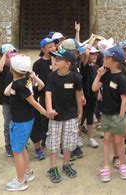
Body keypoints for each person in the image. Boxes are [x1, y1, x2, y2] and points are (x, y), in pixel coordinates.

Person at [3, 54, 54, 192]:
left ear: (13, 68)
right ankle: (27, 172)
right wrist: (17, 78)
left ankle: (21, 181)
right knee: (22, 148)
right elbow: (6, 92)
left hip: (21, 122)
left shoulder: (21, 85)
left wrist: (45, 113)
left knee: (17, 151)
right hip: (22, 120)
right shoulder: (21, 82)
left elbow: (33, 102)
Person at [92, 45, 126, 182]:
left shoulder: (122, 79)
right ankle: (106, 166)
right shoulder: (106, 74)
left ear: (114, 62)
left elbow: (124, 100)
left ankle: (123, 164)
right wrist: (98, 75)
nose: (104, 58)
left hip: (116, 115)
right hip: (106, 114)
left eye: (107, 57)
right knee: (107, 139)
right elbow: (94, 88)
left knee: (119, 141)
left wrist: (121, 117)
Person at [45, 48, 84, 183]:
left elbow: (79, 95)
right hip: (55, 115)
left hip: (71, 115)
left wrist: (80, 112)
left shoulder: (76, 77)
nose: (56, 60)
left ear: (68, 64)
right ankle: (53, 167)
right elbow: (48, 93)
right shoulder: (51, 76)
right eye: (55, 58)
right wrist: (49, 109)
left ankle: (66, 164)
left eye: (59, 59)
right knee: (53, 142)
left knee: (69, 141)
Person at [32, 37, 57, 155]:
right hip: (43, 93)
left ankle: (54, 137)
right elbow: (33, 80)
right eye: (50, 46)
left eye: (54, 46)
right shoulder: (38, 64)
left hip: (56, 93)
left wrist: (54, 61)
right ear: (43, 49)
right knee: (44, 117)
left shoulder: (57, 60)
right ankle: (44, 138)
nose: (53, 48)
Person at [0, 43, 16, 157]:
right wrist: (4, 55)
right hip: (6, 101)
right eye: (9, 54)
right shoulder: (3, 69)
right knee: (8, 123)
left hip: (17, 100)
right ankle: (8, 145)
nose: (11, 56)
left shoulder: (16, 68)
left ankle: (17, 143)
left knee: (17, 122)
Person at [79, 44, 100, 148]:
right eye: (92, 54)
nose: (94, 56)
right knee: (81, 116)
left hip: (93, 95)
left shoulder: (96, 67)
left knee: (90, 116)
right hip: (84, 95)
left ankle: (91, 138)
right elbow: (85, 60)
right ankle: (78, 137)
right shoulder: (84, 66)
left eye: (96, 54)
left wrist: (99, 93)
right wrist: (86, 52)